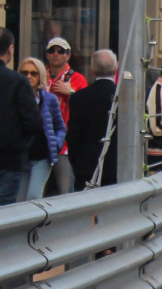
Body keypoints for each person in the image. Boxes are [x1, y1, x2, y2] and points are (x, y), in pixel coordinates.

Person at [66, 50, 120, 189]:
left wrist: (78, 164)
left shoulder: (79, 98)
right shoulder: (126, 99)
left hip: (87, 167)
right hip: (118, 168)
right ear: (116, 68)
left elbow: (73, 137)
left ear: (92, 69)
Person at [0, 28, 42, 205]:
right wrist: (19, 145)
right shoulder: (17, 82)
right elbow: (33, 122)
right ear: (10, 50)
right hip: (8, 160)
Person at [15, 58, 66, 202]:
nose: (29, 76)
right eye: (24, 73)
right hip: (20, 157)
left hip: (42, 157)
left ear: (40, 76)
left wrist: (56, 144)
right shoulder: (14, 99)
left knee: (33, 196)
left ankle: (38, 224)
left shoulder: (49, 99)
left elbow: (60, 127)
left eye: (33, 73)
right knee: (19, 201)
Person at [44, 36, 87, 195]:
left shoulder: (77, 78)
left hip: (65, 144)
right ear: (47, 54)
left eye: (60, 51)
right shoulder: (40, 75)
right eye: (52, 50)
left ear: (68, 55)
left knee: (66, 191)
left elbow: (85, 107)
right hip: (42, 141)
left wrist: (71, 92)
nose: (55, 54)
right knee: (37, 192)